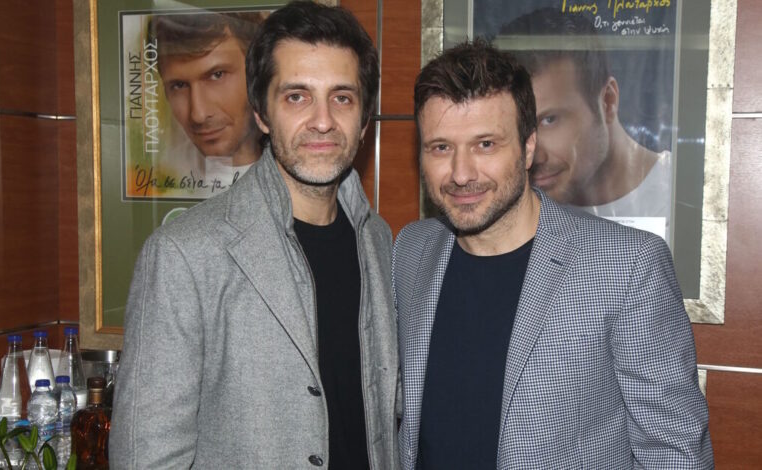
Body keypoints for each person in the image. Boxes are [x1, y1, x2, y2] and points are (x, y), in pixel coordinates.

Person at [393, 41, 712, 469]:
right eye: (440, 147)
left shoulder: (628, 266)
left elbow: (675, 453)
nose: (462, 173)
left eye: (485, 144)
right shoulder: (411, 250)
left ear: (528, 148)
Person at [110, 2, 399, 468]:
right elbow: (145, 457)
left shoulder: (379, 241)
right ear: (261, 113)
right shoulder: (183, 255)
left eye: (342, 97)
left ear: (364, 120)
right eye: (297, 97)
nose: (322, 120)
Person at [501, 8, 671, 222]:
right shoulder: (506, 210)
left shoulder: (678, 196)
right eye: (518, 125)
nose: (533, 155)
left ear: (608, 101)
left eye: (549, 120)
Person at [149, 11, 264, 187]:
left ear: (257, 72)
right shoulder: (162, 170)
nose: (198, 115)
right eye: (179, 85)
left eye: (217, 75)